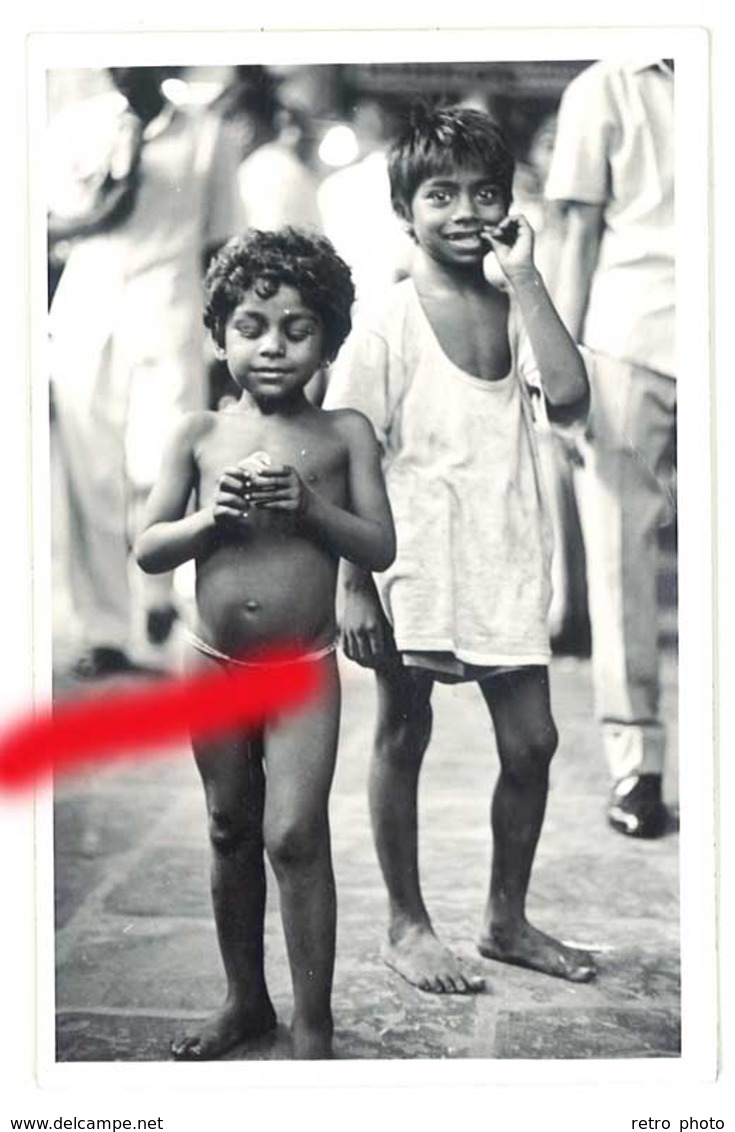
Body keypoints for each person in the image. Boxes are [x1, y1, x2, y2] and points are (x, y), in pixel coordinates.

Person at [324, 104, 596, 993]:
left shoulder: (515, 306)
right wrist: (354, 584)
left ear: (509, 205)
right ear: (405, 210)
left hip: (504, 551)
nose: (463, 211)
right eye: (439, 194)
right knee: (403, 730)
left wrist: (525, 279)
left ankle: (505, 919)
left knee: (534, 741)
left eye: (483, 193)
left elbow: (566, 394)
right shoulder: (386, 322)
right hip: (413, 559)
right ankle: (407, 925)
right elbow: (345, 456)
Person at [135, 228, 396, 1059]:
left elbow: (379, 547)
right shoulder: (198, 435)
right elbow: (147, 547)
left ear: (329, 340)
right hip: (211, 664)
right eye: (251, 326)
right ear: (219, 336)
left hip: (301, 670)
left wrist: (310, 512)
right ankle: (245, 1000)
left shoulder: (343, 434)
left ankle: (311, 1021)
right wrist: (215, 519)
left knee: (293, 833)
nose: (273, 347)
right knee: (227, 826)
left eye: (296, 328)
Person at [48, 66, 245, 677]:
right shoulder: (76, 125)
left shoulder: (207, 132)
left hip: (169, 310)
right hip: (88, 309)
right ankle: (105, 631)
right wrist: (101, 202)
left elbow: (221, 239)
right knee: (90, 473)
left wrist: (224, 340)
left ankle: (160, 596)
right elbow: (47, 220)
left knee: (159, 460)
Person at [544, 60, 676, 838]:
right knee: (619, 560)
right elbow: (575, 229)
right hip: (629, 340)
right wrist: (554, 356)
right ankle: (638, 768)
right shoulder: (605, 85)